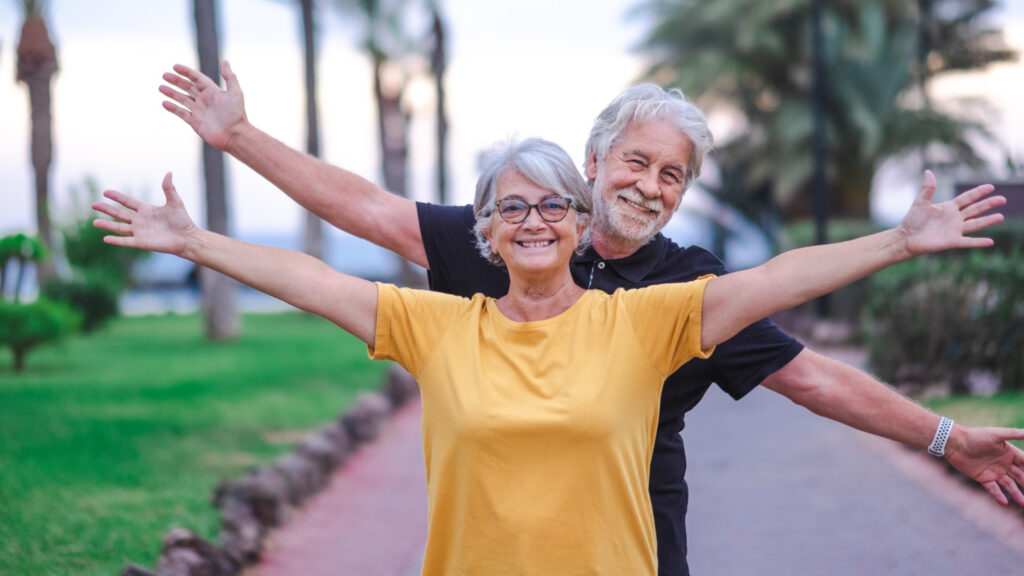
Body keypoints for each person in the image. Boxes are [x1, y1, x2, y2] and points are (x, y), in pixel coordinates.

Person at [158, 62, 1024, 575]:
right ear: (593, 164)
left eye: (672, 177)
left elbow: (811, 371)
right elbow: (358, 218)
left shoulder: (672, 298)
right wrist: (236, 145)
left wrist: (943, 435)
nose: (649, 185)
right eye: (636, 162)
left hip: (631, 535)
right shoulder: (507, 225)